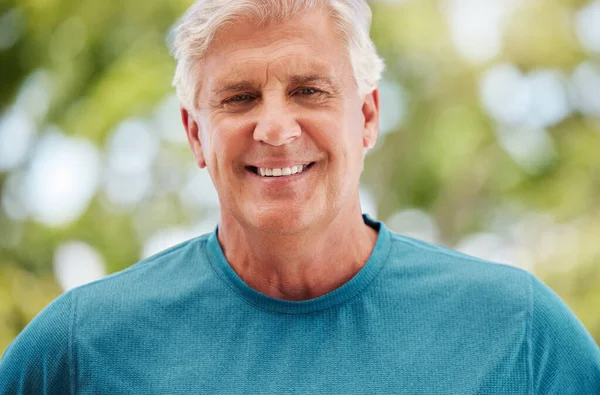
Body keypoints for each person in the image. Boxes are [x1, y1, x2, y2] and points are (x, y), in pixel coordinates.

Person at [2, 0, 600, 393]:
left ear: (366, 116)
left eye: (310, 90)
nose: (275, 128)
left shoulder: (521, 334)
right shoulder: (79, 349)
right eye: (238, 98)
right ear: (194, 135)